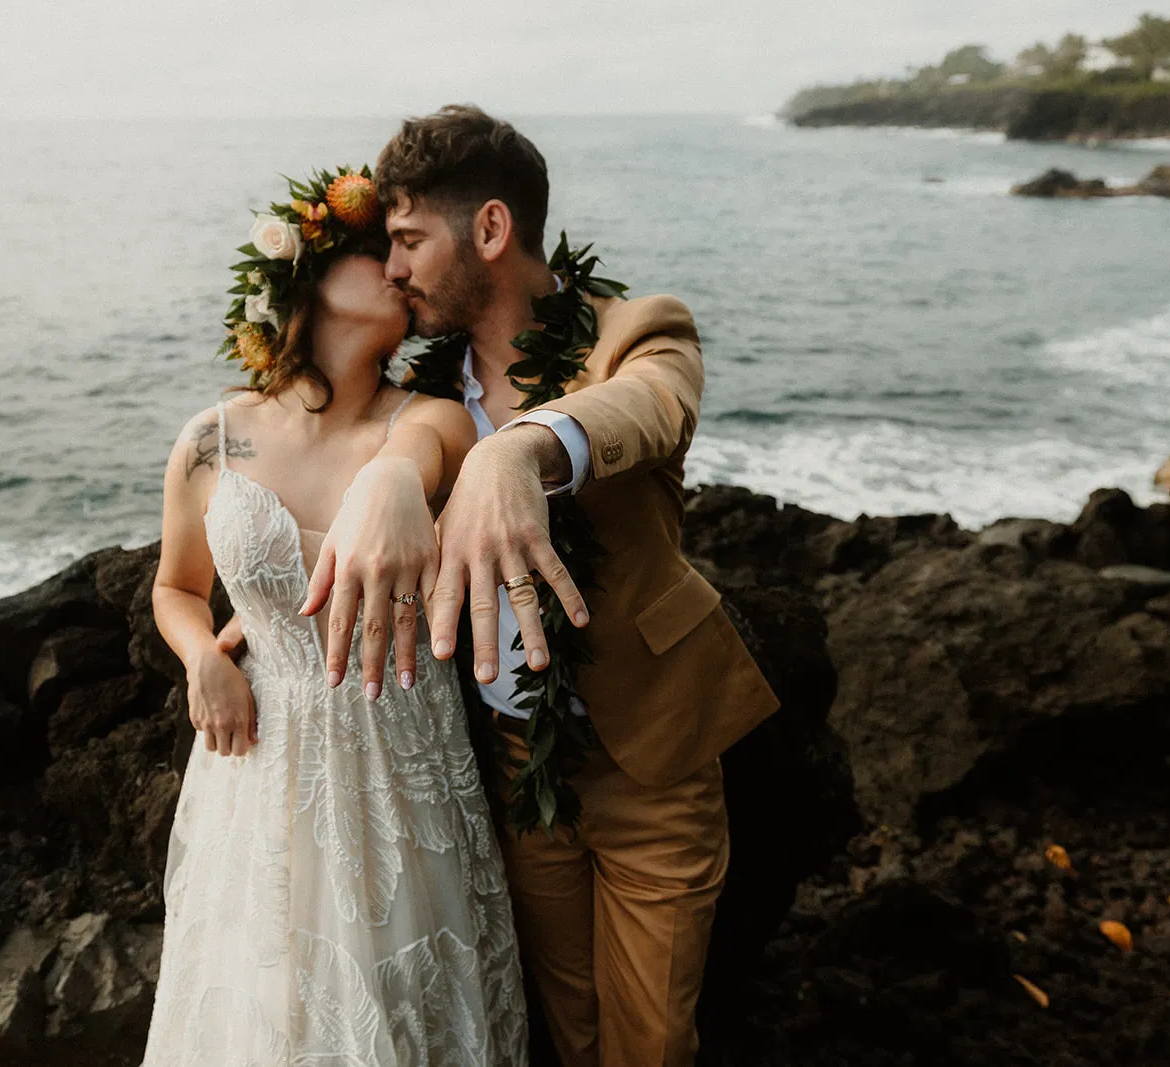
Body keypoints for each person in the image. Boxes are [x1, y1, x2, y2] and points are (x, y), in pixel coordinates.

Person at [299, 108, 782, 1066]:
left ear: (489, 229)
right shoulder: (424, 392)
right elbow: (355, 490)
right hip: (515, 765)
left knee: (650, 1041)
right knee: (562, 1023)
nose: (391, 270)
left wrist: (520, 449)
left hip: (652, 758)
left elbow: (651, 405)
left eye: (407, 241)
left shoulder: (633, 332)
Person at [142, 166, 528, 1066]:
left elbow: (427, 450)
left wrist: (397, 474)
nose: (397, 267)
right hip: (263, 765)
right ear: (309, 277)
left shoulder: (431, 420)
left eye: (405, 249)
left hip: (402, 761)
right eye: (372, 249)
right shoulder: (215, 437)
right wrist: (204, 655)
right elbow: (175, 588)